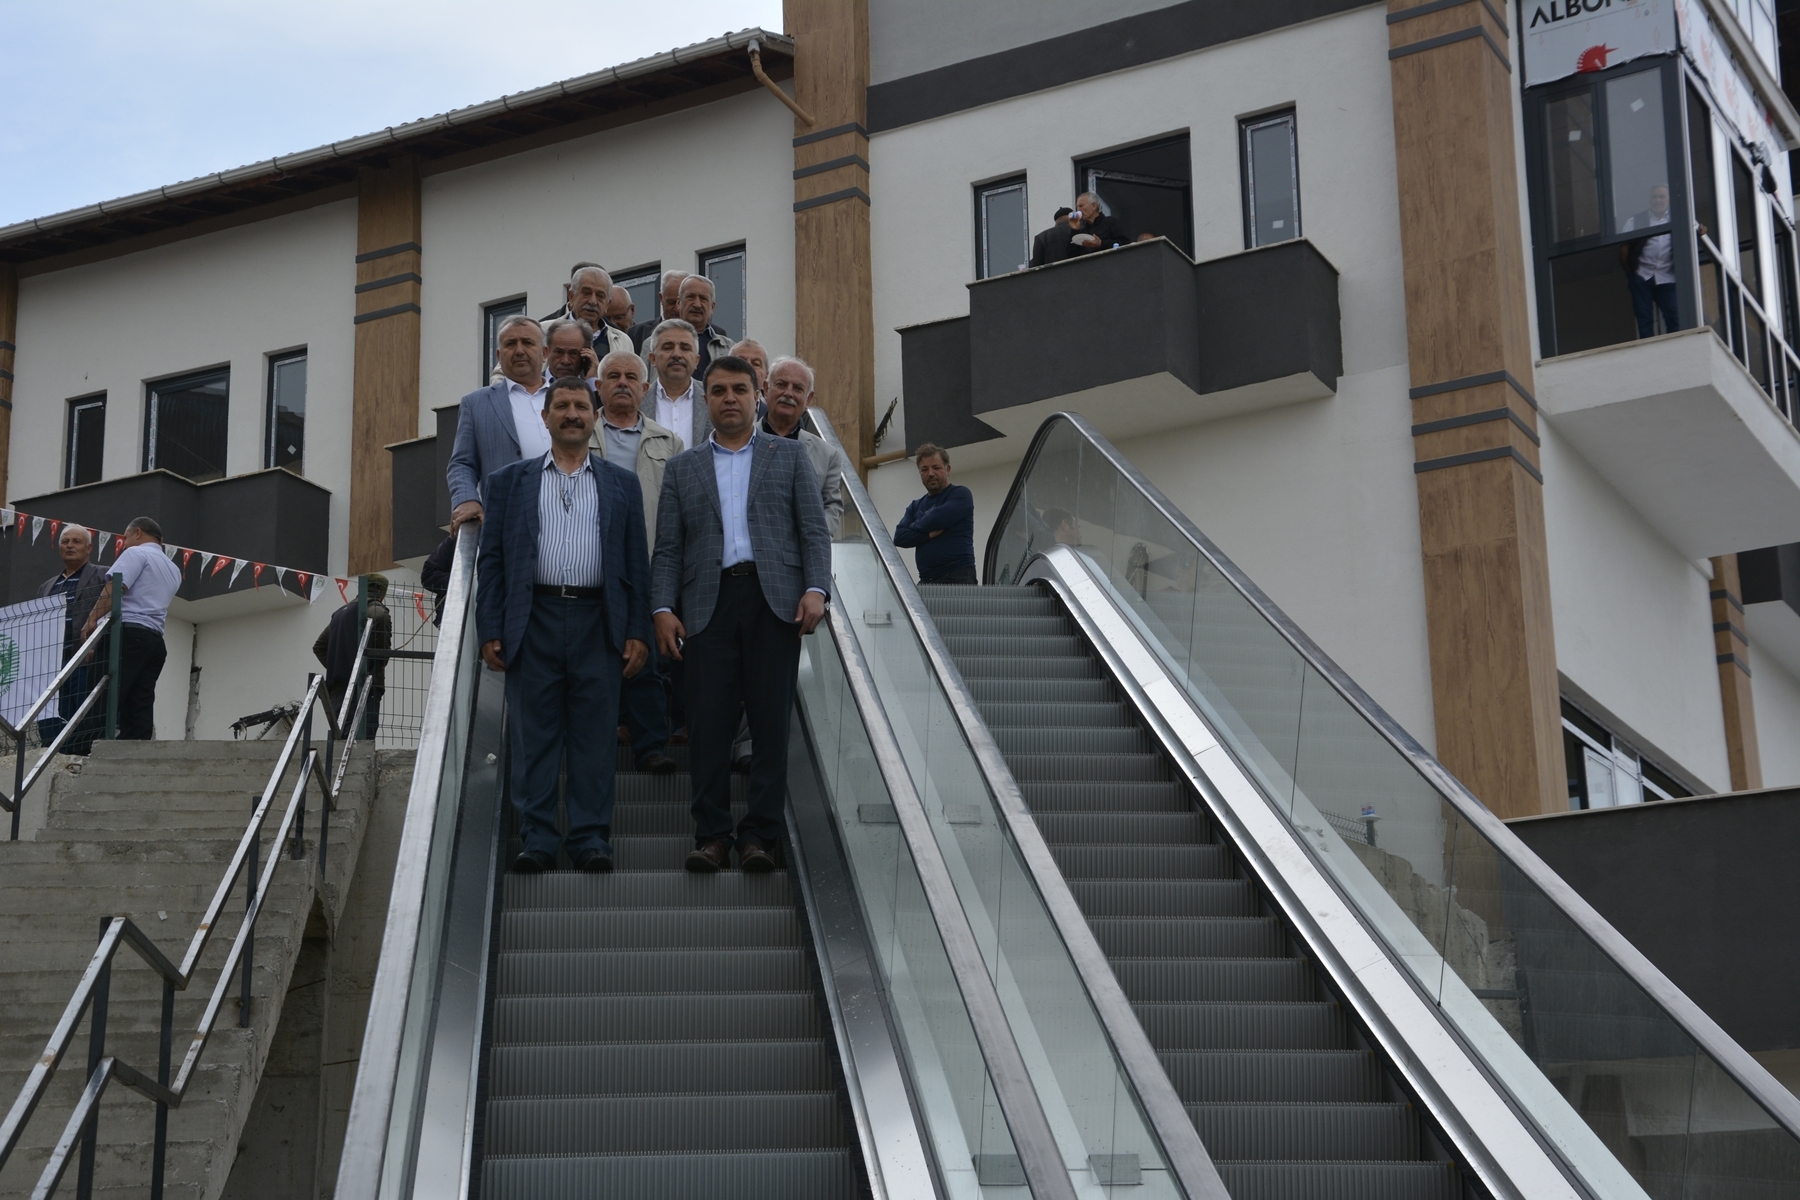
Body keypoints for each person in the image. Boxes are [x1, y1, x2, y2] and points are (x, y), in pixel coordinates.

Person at [652, 356, 831, 873]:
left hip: (775, 603)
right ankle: (712, 836)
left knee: (771, 724)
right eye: (718, 391)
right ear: (705, 400)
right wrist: (661, 606)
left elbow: (813, 530)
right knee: (708, 724)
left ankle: (759, 837)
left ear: (758, 396)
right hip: (705, 605)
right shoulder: (682, 467)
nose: (729, 398)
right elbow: (668, 547)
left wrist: (817, 588)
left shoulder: (790, 456)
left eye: (739, 389)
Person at [477, 377, 651, 874]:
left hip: (601, 622)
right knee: (533, 737)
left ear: (594, 418)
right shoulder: (507, 482)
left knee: (595, 738)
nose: (572, 414)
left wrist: (638, 629)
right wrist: (490, 626)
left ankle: (591, 839)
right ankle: (537, 839)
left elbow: (635, 563)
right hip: (533, 619)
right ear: (545, 416)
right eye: (562, 406)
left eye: (581, 406)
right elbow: (492, 562)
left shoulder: (622, 483)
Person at [594, 349, 682, 774]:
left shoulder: (669, 442)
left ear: (646, 388)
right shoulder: (580, 434)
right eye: (613, 376)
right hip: (592, 566)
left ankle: (650, 747)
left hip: (647, 562)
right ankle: (603, 738)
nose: (622, 383)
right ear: (598, 386)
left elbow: (679, 511)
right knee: (598, 656)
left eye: (631, 377)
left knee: (645, 657)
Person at [79, 517, 183, 740]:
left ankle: (87, 746)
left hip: (127, 634)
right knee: (140, 701)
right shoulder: (173, 568)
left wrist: (92, 619)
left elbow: (116, 587)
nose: (123, 544)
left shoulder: (135, 553)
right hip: (154, 640)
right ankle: (136, 748)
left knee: (102, 694)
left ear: (137, 533)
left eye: (125, 538)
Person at [448, 314, 549, 532]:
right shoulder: (476, 403)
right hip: (508, 524)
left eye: (528, 342)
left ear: (545, 353)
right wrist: (467, 499)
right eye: (510, 344)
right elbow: (462, 463)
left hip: (570, 519)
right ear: (499, 356)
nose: (519, 350)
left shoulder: (569, 397)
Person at [35, 525, 107, 752]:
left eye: (76, 541)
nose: (70, 546)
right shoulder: (47, 586)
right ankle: (55, 756)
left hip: (84, 658)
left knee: (84, 713)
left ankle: (83, 756)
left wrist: (97, 645)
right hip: (52, 663)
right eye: (65, 542)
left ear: (89, 548)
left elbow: (112, 614)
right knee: (52, 716)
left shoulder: (103, 575)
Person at [763, 356, 847, 537]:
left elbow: (831, 506)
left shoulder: (828, 455)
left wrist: (813, 538)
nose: (788, 393)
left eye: (798, 388)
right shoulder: (740, 441)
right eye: (781, 384)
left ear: (808, 398)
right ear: (765, 389)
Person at [312, 574, 391, 737]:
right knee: (362, 739)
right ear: (382, 593)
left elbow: (319, 647)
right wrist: (375, 664)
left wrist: (339, 667)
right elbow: (382, 649)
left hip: (337, 689)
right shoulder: (376, 610)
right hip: (364, 687)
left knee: (341, 735)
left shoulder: (340, 613)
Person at [1620, 184, 1700, 339]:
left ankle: (1674, 347)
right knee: (1644, 319)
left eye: (1661, 197)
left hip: (1668, 275)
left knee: (1674, 316)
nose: (1658, 200)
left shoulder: (1679, 218)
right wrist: (1631, 273)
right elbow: (1623, 247)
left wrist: (1701, 233)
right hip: (1642, 275)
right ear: (1649, 200)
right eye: (1654, 197)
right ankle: (1649, 349)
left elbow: (1696, 232)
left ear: (1669, 200)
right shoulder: (1635, 220)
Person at [894, 443, 976, 584]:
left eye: (936, 468)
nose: (931, 473)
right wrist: (927, 535)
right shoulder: (915, 506)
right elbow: (899, 537)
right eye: (924, 469)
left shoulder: (961, 494)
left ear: (947, 469)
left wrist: (913, 527)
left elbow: (936, 519)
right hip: (926, 580)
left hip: (958, 576)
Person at [644, 318, 711, 451]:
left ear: (696, 360)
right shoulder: (639, 399)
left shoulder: (713, 397)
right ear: (653, 359)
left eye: (685, 348)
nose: (676, 354)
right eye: (668, 348)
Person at [541, 264, 633, 361]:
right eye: (586, 293)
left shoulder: (623, 342)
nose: (593, 301)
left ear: (607, 304)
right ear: (571, 296)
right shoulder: (542, 332)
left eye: (600, 296)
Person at [676, 275, 735, 377]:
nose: (697, 304)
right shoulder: (655, 343)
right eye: (690, 297)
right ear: (678, 303)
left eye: (703, 299)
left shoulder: (729, 348)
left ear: (712, 307)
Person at [628, 270, 689, 353]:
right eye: (671, 302)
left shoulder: (705, 334)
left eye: (681, 303)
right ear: (661, 298)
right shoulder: (637, 334)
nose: (676, 309)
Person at [544, 317, 600, 383]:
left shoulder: (597, 387)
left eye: (573, 353)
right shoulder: (533, 386)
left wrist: (591, 381)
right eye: (559, 352)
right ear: (547, 352)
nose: (565, 361)